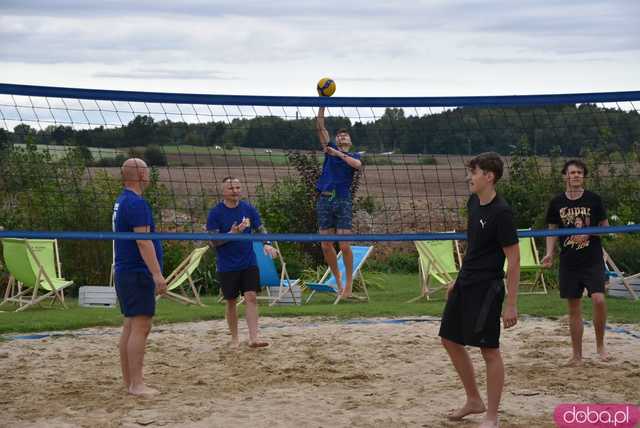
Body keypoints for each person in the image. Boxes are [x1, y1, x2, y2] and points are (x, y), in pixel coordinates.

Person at [438, 152, 520, 428]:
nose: (468, 178)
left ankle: (492, 416)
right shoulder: (474, 202)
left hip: (488, 287)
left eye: (473, 173)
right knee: (449, 339)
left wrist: (511, 303)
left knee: (489, 351)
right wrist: (458, 280)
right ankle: (474, 400)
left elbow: (514, 259)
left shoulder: (502, 213)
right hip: (466, 282)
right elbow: (474, 249)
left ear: (489, 176)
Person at [542, 159, 610, 364]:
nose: (576, 175)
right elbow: (552, 230)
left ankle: (600, 346)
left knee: (599, 299)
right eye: (572, 172)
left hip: (592, 259)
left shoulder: (594, 200)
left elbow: (605, 226)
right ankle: (577, 355)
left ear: (584, 176)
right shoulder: (557, 202)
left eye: (579, 172)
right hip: (569, 261)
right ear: (565, 176)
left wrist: (596, 232)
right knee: (574, 308)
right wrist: (549, 253)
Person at [112, 158, 167, 397]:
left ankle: (130, 382)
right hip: (136, 272)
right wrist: (157, 274)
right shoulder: (136, 203)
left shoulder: (122, 201)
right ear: (142, 175)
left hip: (126, 271)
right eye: (147, 171)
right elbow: (143, 241)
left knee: (130, 325)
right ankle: (136, 384)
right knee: (141, 327)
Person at [207, 176, 277, 348]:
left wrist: (267, 244)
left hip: (248, 261)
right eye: (231, 188)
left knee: (251, 297)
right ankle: (235, 339)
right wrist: (232, 234)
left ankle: (253, 338)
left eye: (238, 187)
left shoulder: (248, 209)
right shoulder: (215, 213)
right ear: (223, 191)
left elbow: (260, 229)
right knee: (231, 301)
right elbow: (212, 242)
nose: (235, 191)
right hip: (227, 264)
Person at [315, 106, 362, 298]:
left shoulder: (353, 156)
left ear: (350, 142)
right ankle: (338, 281)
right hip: (325, 199)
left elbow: (357, 166)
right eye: (339, 136)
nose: (342, 137)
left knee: (344, 245)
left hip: (342, 200)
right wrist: (321, 105)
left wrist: (339, 154)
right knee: (326, 245)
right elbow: (319, 127)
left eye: (345, 136)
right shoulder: (329, 149)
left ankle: (349, 284)